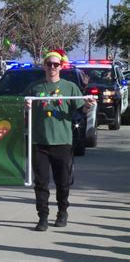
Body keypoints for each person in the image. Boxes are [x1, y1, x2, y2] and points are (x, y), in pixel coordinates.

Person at [25, 49, 96, 231]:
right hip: (39, 143)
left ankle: (62, 212)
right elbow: (22, 110)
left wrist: (89, 105)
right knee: (41, 183)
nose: (52, 67)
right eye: (49, 64)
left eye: (56, 64)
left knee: (63, 182)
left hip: (62, 142)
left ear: (61, 67)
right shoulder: (35, 88)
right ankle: (42, 217)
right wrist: (25, 106)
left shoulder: (69, 87)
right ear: (44, 66)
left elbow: (81, 110)